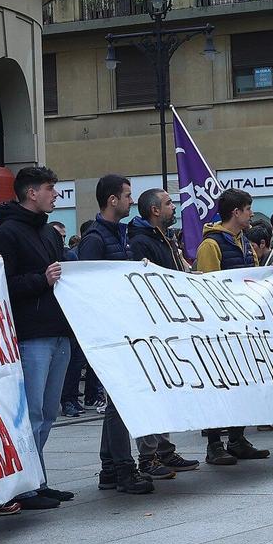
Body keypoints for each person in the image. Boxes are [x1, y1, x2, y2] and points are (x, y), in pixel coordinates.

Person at [0, 166, 89, 499]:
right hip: (31, 335)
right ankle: (26, 485)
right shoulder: (7, 234)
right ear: (32, 193)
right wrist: (40, 280)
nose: (55, 194)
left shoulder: (48, 232)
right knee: (31, 413)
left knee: (47, 413)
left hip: (58, 331)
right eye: (50, 188)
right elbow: (1, 284)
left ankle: (38, 479)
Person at [74, 175, 167, 488]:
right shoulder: (95, 239)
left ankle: (110, 468)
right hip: (109, 329)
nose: (131, 201)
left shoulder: (121, 235)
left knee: (118, 400)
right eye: (127, 195)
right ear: (112, 200)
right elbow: (88, 286)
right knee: (120, 401)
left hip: (123, 326)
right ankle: (124, 470)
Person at [126, 189, 205, 470]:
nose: (174, 207)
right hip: (150, 327)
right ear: (155, 210)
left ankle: (165, 449)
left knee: (167, 391)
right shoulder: (140, 242)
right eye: (169, 203)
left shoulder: (167, 239)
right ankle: (148, 457)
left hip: (168, 325)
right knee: (153, 392)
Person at [195, 188, 273, 465]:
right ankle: (214, 444)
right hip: (220, 327)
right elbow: (207, 286)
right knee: (220, 386)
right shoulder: (211, 245)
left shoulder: (245, 244)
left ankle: (237, 439)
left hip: (244, 325)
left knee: (243, 383)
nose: (251, 214)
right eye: (248, 209)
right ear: (236, 212)